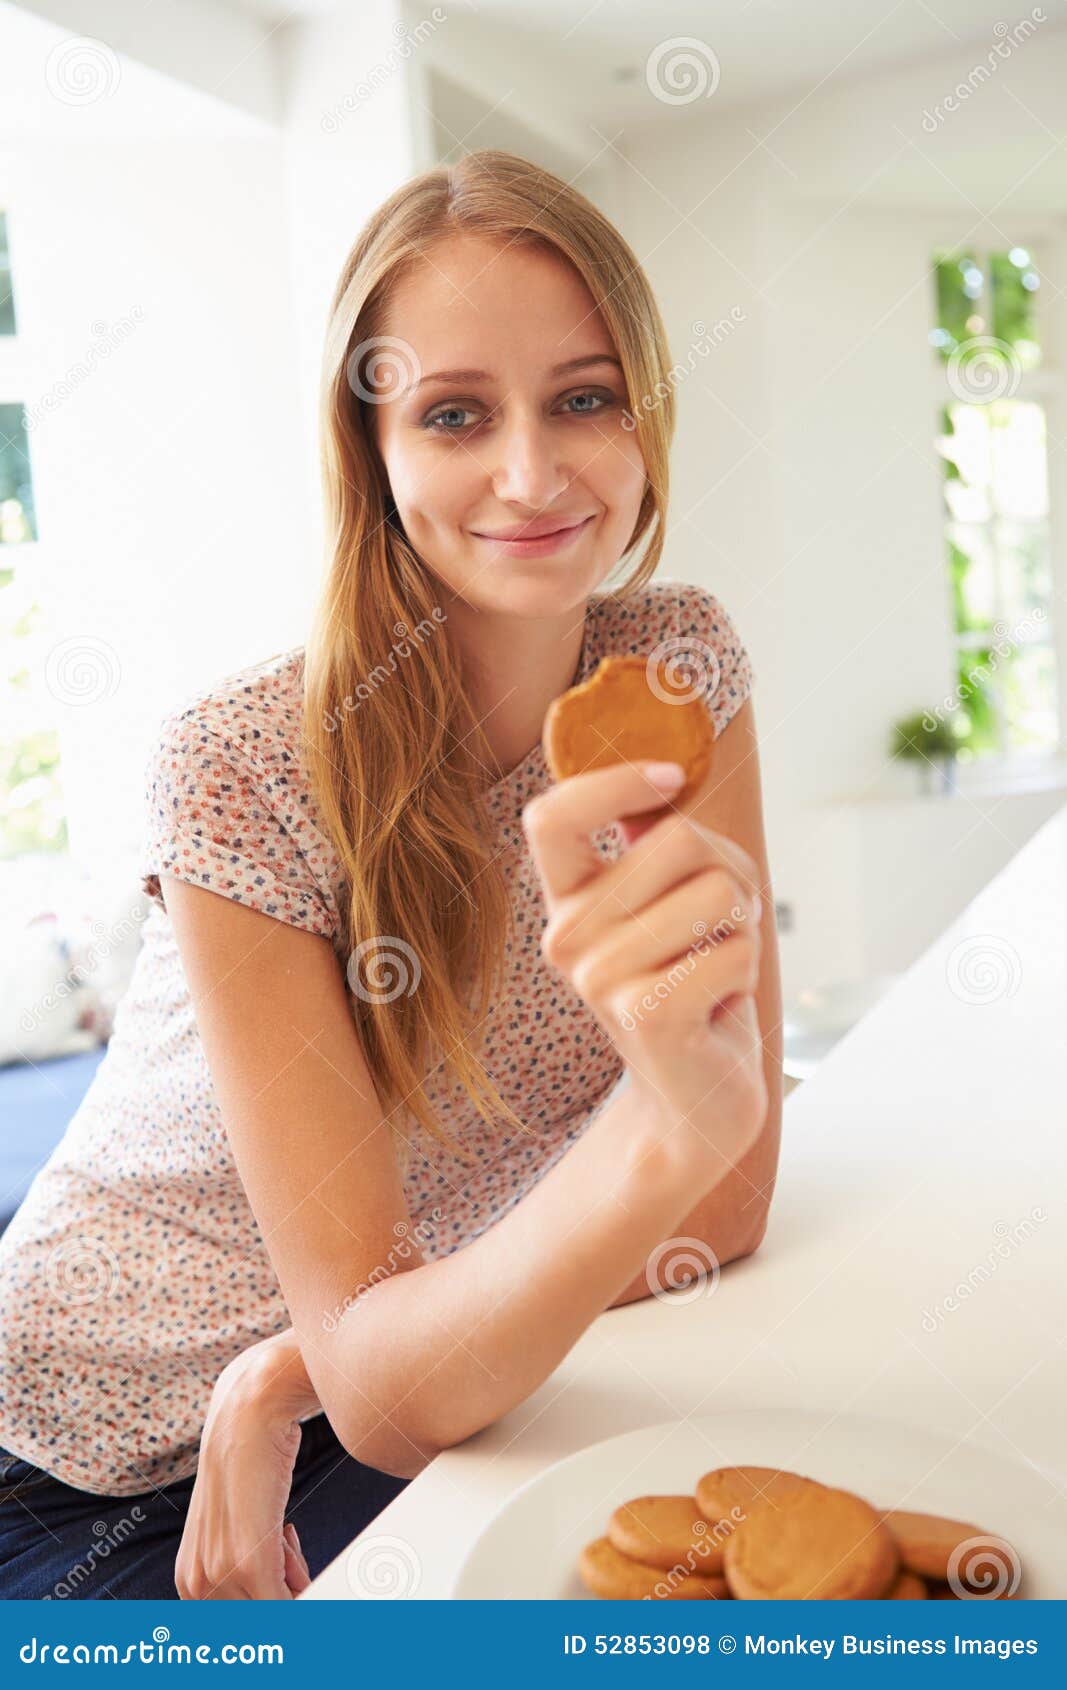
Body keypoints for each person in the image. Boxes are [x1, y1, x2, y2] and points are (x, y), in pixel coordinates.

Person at [0, 149, 782, 1600]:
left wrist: (293, 1370)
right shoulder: (240, 769)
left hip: (408, 1368)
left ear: (648, 415)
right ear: (374, 454)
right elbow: (671, 1168)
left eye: (584, 397)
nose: (534, 472)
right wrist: (346, 1364)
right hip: (81, 1448)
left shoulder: (679, 671)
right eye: (455, 414)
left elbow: (723, 1191)